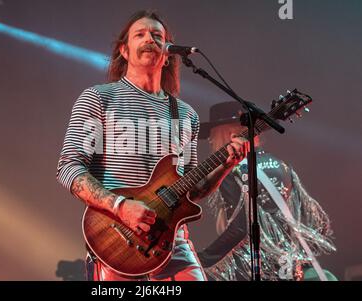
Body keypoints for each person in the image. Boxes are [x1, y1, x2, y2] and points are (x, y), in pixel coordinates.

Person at [56, 10, 249, 281]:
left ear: (168, 52)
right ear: (124, 50)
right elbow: (69, 167)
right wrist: (122, 206)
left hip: (172, 243)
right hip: (117, 238)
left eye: (157, 36)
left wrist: (227, 164)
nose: (150, 39)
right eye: (140, 34)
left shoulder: (185, 114)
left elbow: (192, 190)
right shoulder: (98, 99)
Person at [196, 101, 337, 281]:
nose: (211, 143)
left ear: (231, 135)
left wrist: (202, 258)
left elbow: (240, 228)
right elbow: (313, 224)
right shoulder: (284, 167)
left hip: (255, 269)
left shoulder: (231, 171)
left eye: (213, 137)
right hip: (291, 269)